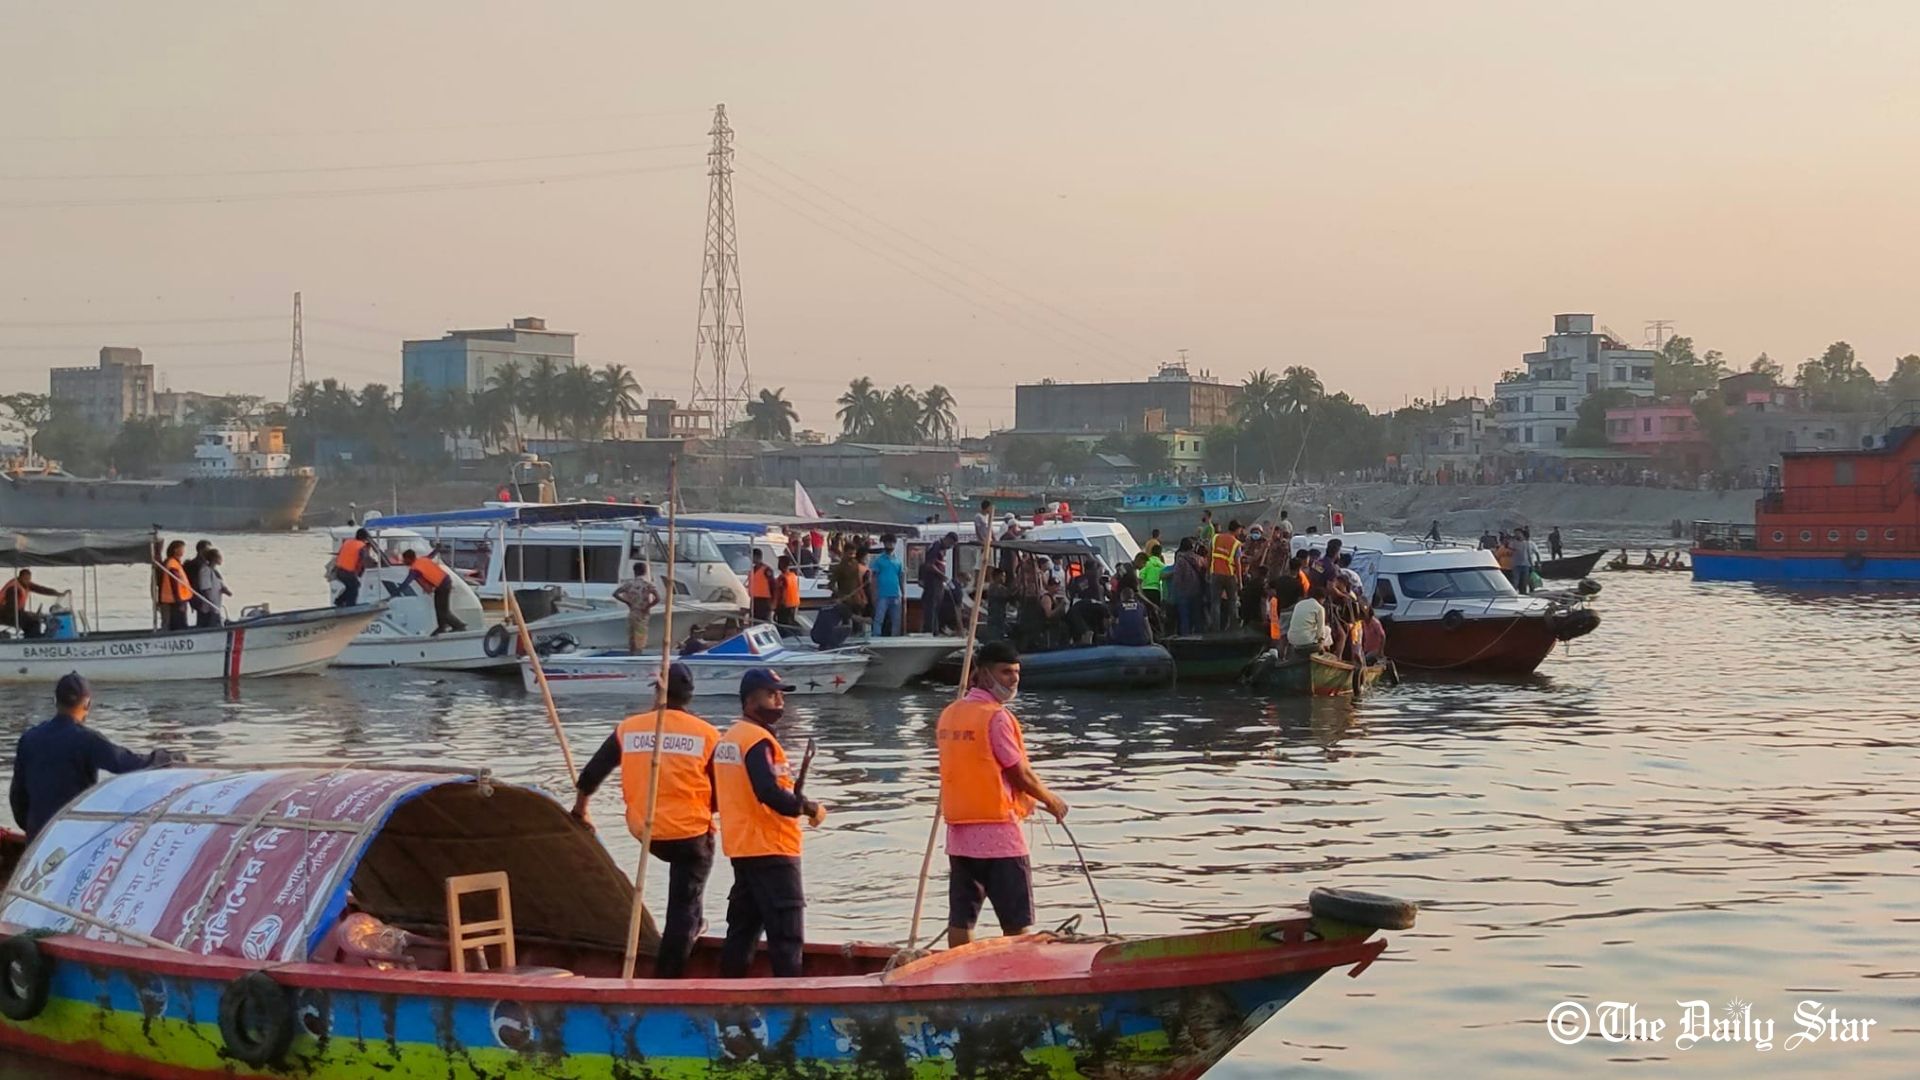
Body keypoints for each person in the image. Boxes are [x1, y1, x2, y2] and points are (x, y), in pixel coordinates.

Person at [571, 662, 719, 978]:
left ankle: (692, 924)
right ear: (689, 697)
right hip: (690, 834)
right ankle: (670, 976)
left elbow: (591, 774)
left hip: (645, 831)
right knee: (684, 902)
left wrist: (581, 809)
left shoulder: (629, 728)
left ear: (658, 691)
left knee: (687, 894)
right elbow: (721, 794)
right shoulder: (708, 734)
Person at [938, 642, 1067, 948]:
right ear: (983, 674)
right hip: (999, 833)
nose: (1013, 679)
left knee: (961, 918)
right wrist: (1051, 800)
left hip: (960, 833)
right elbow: (1018, 772)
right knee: (1016, 920)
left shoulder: (950, 714)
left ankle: (958, 972)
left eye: (1017, 673)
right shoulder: (995, 717)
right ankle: (1020, 977)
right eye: (1005, 672)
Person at [715, 668, 827, 978]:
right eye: (771, 694)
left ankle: (727, 996)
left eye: (781, 694)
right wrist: (806, 807)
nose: (779, 700)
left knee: (742, 931)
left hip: (743, 848)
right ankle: (790, 1003)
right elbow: (768, 791)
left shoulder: (731, 737)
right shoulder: (756, 740)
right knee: (786, 935)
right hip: (772, 848)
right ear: (750, 700)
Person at [10, 674, 181, 841]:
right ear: (87, 703)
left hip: (38, 836)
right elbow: (125, 763)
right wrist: (166, 758)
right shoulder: (86, 739)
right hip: (72, 835)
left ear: (55, 701)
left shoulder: (29, 738)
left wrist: (32, 830)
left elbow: (17, 797)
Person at [401, 549, 466, 635]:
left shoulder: (414, 569)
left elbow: (406, 582)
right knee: (439, 609)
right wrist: (437, 549)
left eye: (404, 559)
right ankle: (442, 627)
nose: (403, 561)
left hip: (443, 585)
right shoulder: (422, 559)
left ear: (409, 558)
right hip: (444, 582)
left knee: (443, 611)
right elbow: (431, 555)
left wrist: (396, 592)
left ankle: (459, 626)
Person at [613, 562, 662, 654]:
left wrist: (628, 602)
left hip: (632, 612)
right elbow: (658, 598)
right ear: (645, 571)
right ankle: (638, 654)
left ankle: (631, 654)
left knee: (632, 636)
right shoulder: (647, 585)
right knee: (640, 636)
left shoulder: (629, 584)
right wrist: (648, 606)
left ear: (634, 571)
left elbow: (615, 594)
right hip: (643, 614)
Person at [0, 570, 62, 638]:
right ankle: (33, 640)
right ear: (20, 577)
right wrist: (28, 614)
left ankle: (31, 637)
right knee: (33, 622)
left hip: (13, 613)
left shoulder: (26, 584)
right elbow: (11, 608)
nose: (27, 581)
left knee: (34, 618)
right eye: (25, 579)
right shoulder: (13, 589)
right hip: (5, 614)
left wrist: (56, 593)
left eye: (29, 579)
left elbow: (40, 589)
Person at [1208, 521, 1243, 632]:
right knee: (1232, 602)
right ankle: (1234, 629)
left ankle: (1215, 629)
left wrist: (1209, 571)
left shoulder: (1215, 538)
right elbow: (1238, 564)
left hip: (1215, 574)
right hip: (1229, 575)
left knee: (1215, 603)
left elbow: (1209, 556)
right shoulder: (1236, 544)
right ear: (1237, 529)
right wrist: (1240, 581)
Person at [919, 534, 957, 634]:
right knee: (931, 608)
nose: (950, 547)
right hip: (933, 582)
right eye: (951, 544)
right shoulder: (936, 546)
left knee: (936, 609)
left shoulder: (942, 549)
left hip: (939, 583)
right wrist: (942, 575)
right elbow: (929, 565)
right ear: (947, 539)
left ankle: (935, 631)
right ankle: (929, 632)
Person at [870, 535, 905, 637]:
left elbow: (901, 578)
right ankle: (876, 637)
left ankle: (895, 639)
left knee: (896, 620)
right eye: (887, 543)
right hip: (882, 595)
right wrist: (874, 594)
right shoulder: (878, 560)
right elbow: (874, 578)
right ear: (884, 544)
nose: (890, 545)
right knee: (879, 619)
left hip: (896, 594)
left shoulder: (898, 561)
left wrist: (903, 594)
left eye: (892, 543)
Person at [332, 528, 377, 607]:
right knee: (354, 588)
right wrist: (376, 563)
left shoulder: (347, 542)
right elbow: (365, 559)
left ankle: (339, 601)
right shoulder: (361, 546)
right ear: (364, 538)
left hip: (338, 571)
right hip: (347, 572)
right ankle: (350, 607)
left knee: (351, 586)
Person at [157, 539, 194, 631]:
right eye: (182, 548)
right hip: (173, 600)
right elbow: (174, 583)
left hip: (176, 599)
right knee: (176, 624)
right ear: (175, 550)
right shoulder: (172, 564)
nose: (183, 551)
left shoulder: (175, 563)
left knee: (176, 623)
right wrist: (179, 601)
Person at [1286, 583, 1331, 654]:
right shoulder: (1319, 608)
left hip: (1291, 637)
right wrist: (1321, 643)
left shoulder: (1299, 604)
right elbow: (1321, 630)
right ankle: (1324, 651)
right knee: (1327, 629)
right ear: (1322, 598)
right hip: (1306, 639)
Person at [192, 548, 232, 628]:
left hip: (216, 606)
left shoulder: (215, 571)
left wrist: (225, 590)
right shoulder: (205, 571)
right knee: (210, 626)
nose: (221, 558)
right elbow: (205, 589)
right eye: (219, 556)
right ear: (214, 558)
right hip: (210, 608)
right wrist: (211, 604)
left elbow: (219, 585)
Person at [746, 549, 778, 624]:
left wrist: (773, 602)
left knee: (763, 622)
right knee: (753, 621)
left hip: (764, 601)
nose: (751, 559)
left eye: (752, 557)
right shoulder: (752, 570)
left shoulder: (766, 570)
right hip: (754, 600)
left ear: (757, 557)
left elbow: (773, 586)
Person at [775, 555, 802, 629]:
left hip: (784, 606)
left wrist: (777, 609)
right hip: (793, 604)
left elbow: (782, 593)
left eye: (779, 562)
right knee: (790, 625)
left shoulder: (783, 578)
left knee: (783, 627)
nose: (778, 564)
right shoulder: (792, 576)